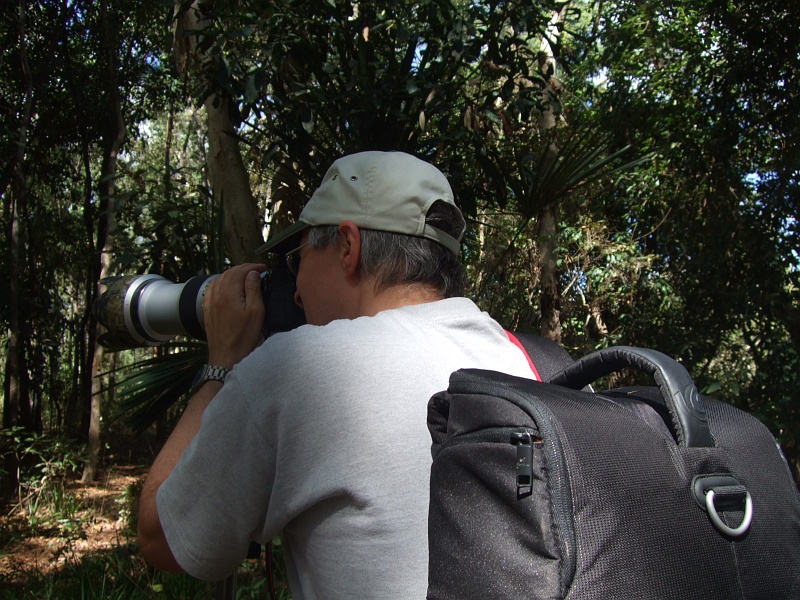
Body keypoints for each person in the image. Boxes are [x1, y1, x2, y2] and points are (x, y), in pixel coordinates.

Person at [137, 151, 539, 599]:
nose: (295, 290)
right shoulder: (527, 363)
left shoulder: (297, 366)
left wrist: (222, 364)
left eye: (298, 258)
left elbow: (161, 537)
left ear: (348, 247)